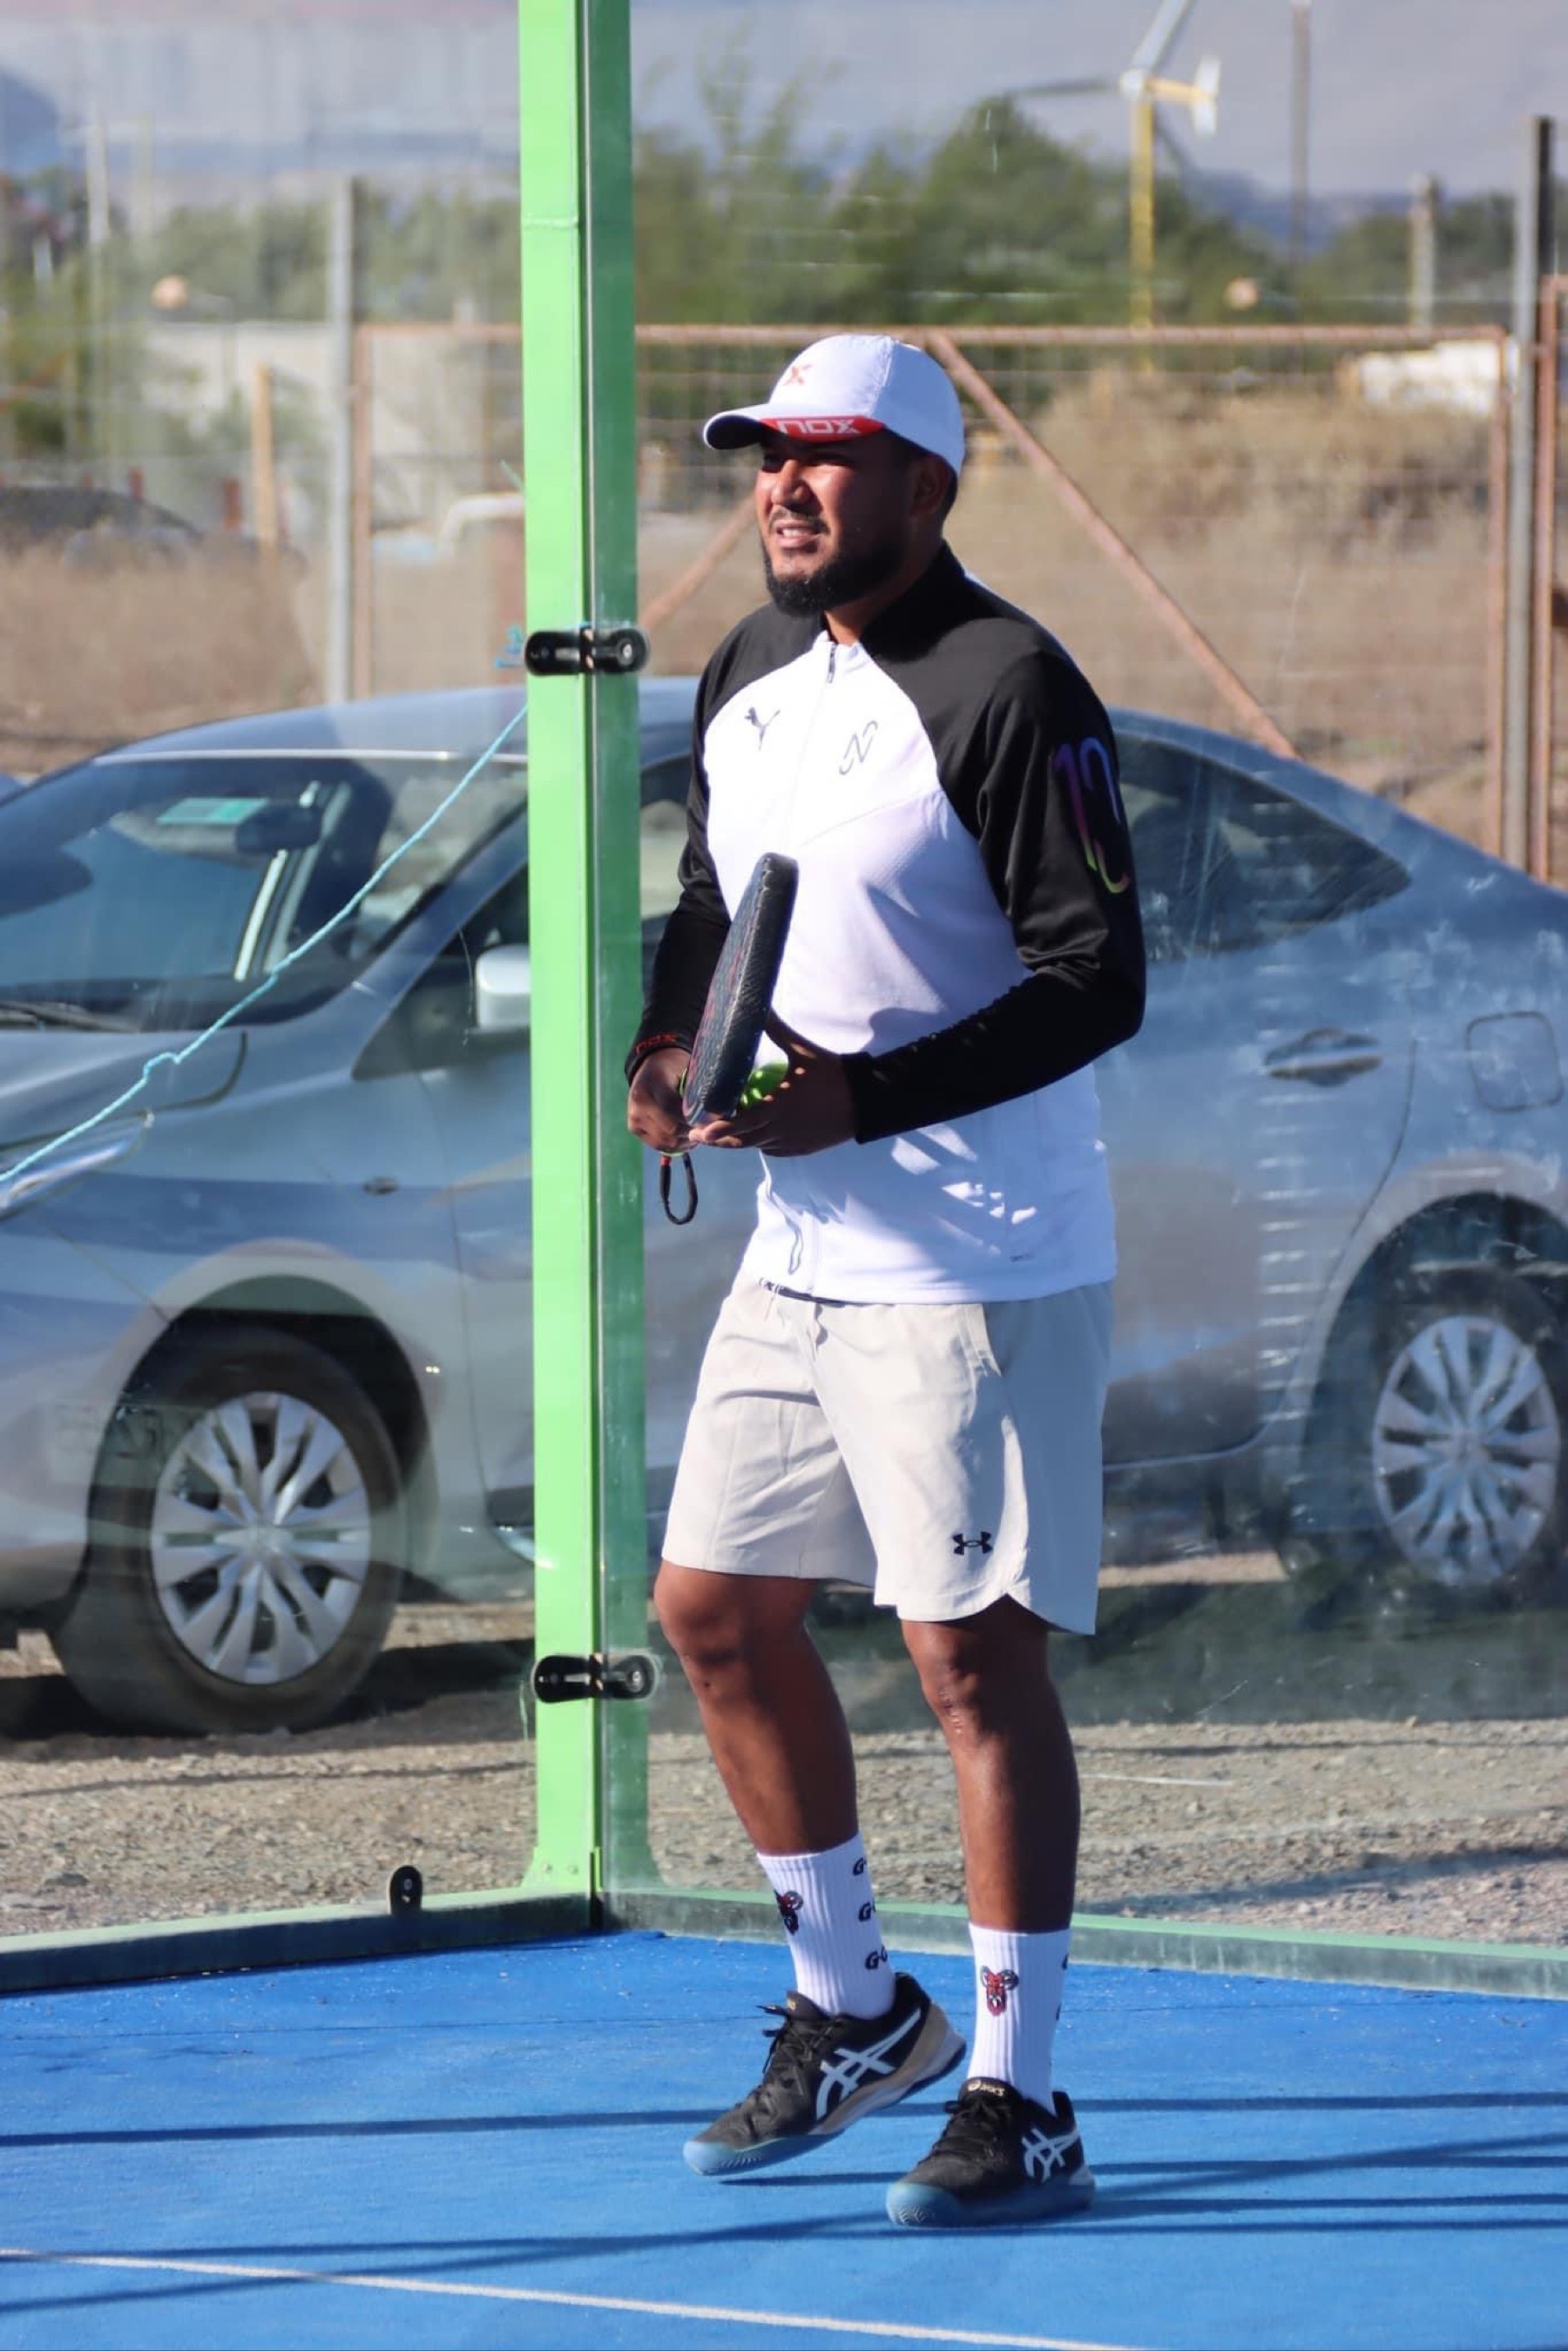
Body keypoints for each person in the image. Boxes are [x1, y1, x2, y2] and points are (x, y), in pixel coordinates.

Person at [625, 334, 1145, 2230]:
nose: (785, 485)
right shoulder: (749, 671)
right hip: (803, 1248)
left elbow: (1099, 979)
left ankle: (1023, 2094)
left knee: (969, 1665)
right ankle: (858, 2012)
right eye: (765, 454)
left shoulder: (1013, 685)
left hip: (983, 1263)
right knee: (710, 1613)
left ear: (927, 487)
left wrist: (865, 1096)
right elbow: (716, 901)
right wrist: (663, 1049)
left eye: (828, 458)